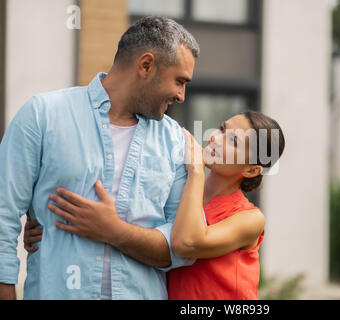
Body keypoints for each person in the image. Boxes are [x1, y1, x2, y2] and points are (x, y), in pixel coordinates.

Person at [0, 16, 200, 300]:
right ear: (146, 65)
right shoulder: (43, 115)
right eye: (180, 81)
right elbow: (3, 214)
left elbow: (183, 248)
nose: (182, 96)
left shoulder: (176, 141)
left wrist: (115, 231)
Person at [25, 110, 286, 299]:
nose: (216, 138)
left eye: (234, 142)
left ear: (252, 170)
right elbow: (136, 229)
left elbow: (186, 243)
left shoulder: (250, 219)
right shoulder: (178, 192)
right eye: (222, 128)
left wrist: (196, 171)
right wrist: (50, 227)